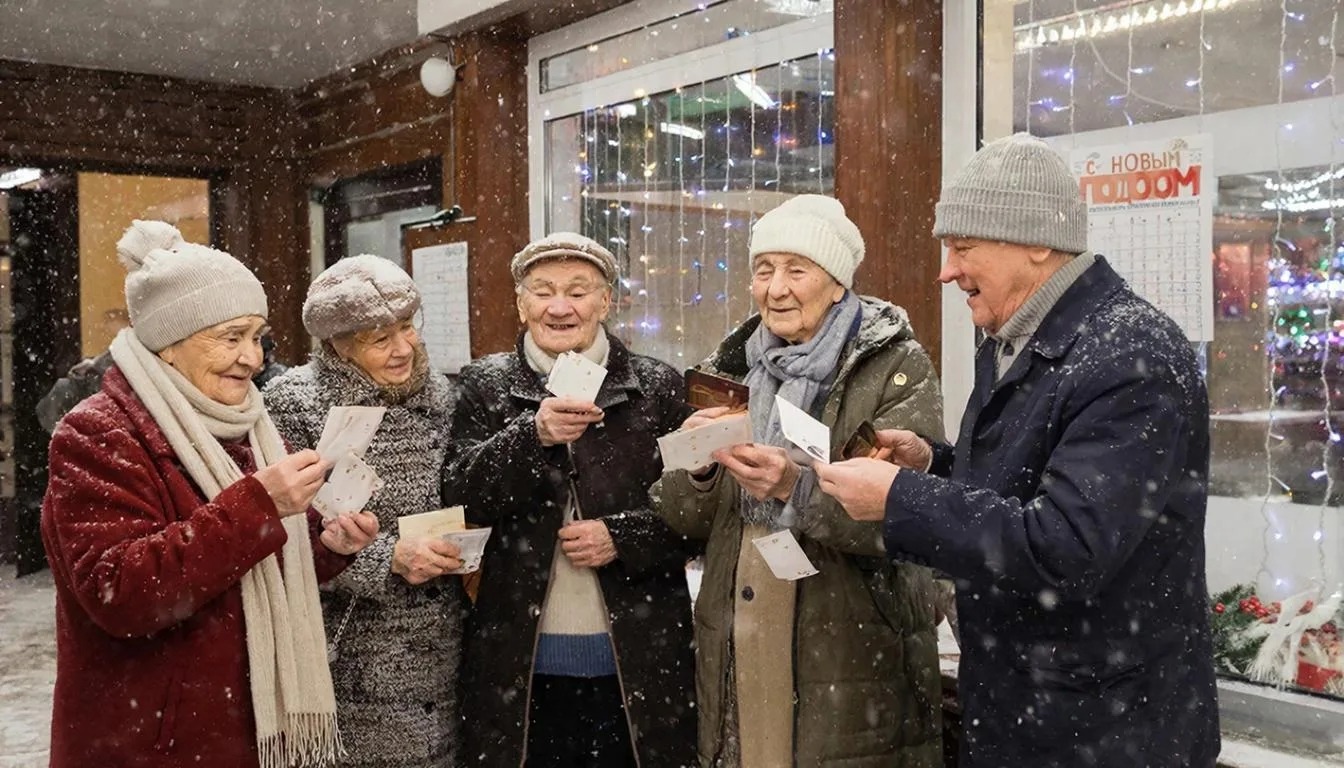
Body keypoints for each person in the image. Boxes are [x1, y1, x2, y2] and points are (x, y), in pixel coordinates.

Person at [814, 133, 1220, 768]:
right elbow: (1024, 487)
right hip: (1029, 709)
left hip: (1107, 731)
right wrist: (931, 463)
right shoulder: (1014, 336)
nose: (946, 270)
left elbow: (1068, 545)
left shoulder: (1129, 358)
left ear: (1037, 243)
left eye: (963, 247)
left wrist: (900, 499)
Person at [40, 220, 379, 768]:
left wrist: (331, 545)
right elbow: (120, 592)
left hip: (241, 727)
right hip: (150, 738)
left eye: (257, 336)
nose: (252, 357)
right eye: (231, 337)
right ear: (168, 344)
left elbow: (266, 564)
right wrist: (260, 505)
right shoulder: (98, 434)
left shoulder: (248, 423)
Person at [652, 194, 945, 767]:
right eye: (764, 270)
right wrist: (701, 465)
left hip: (845, 637)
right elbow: (681, 517)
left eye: (796, 269)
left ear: (837, 284)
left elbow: (903, 521)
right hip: (739, 623)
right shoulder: (729, 367)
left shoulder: (893, 366)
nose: (776, 288)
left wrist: (793, 486)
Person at [442, 232, 697, 767]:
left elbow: (699, 516)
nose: (559, 307)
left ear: (607, 302)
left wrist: (623, 537)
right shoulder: (483, 385)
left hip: (638, 661)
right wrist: (529, 436)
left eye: (578, 291)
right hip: (518, 664)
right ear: (520, 302)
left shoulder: (658, 387)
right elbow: (461, 497)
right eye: (542, 291)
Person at [265, 254, 465, 768]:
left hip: (446, 642)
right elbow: (279, 536)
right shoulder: (294, 404)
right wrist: (385, 559)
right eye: (380, 339)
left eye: (406, 328)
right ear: (337, 345)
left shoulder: (443, 395)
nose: (403, 348)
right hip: (349, 647)